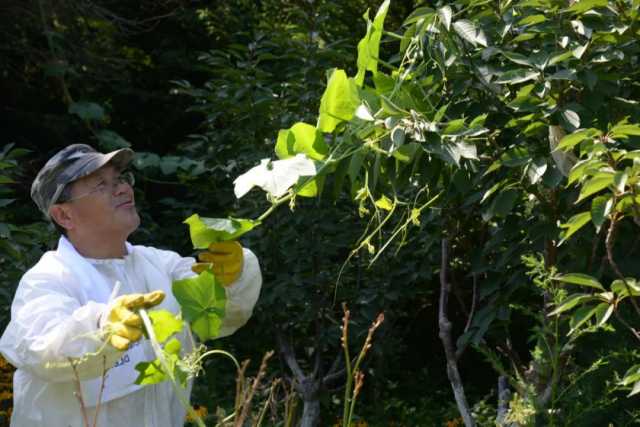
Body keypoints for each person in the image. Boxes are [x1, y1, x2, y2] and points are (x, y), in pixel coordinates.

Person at [0, 144, 262, 427]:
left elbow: (225, 314)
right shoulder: (48, 280)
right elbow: (42, 347)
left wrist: (234, 276)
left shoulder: (161, 266)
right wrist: (101, 327)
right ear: (64, 216)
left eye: (121, 179)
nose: (123, 189)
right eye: (102, 185)